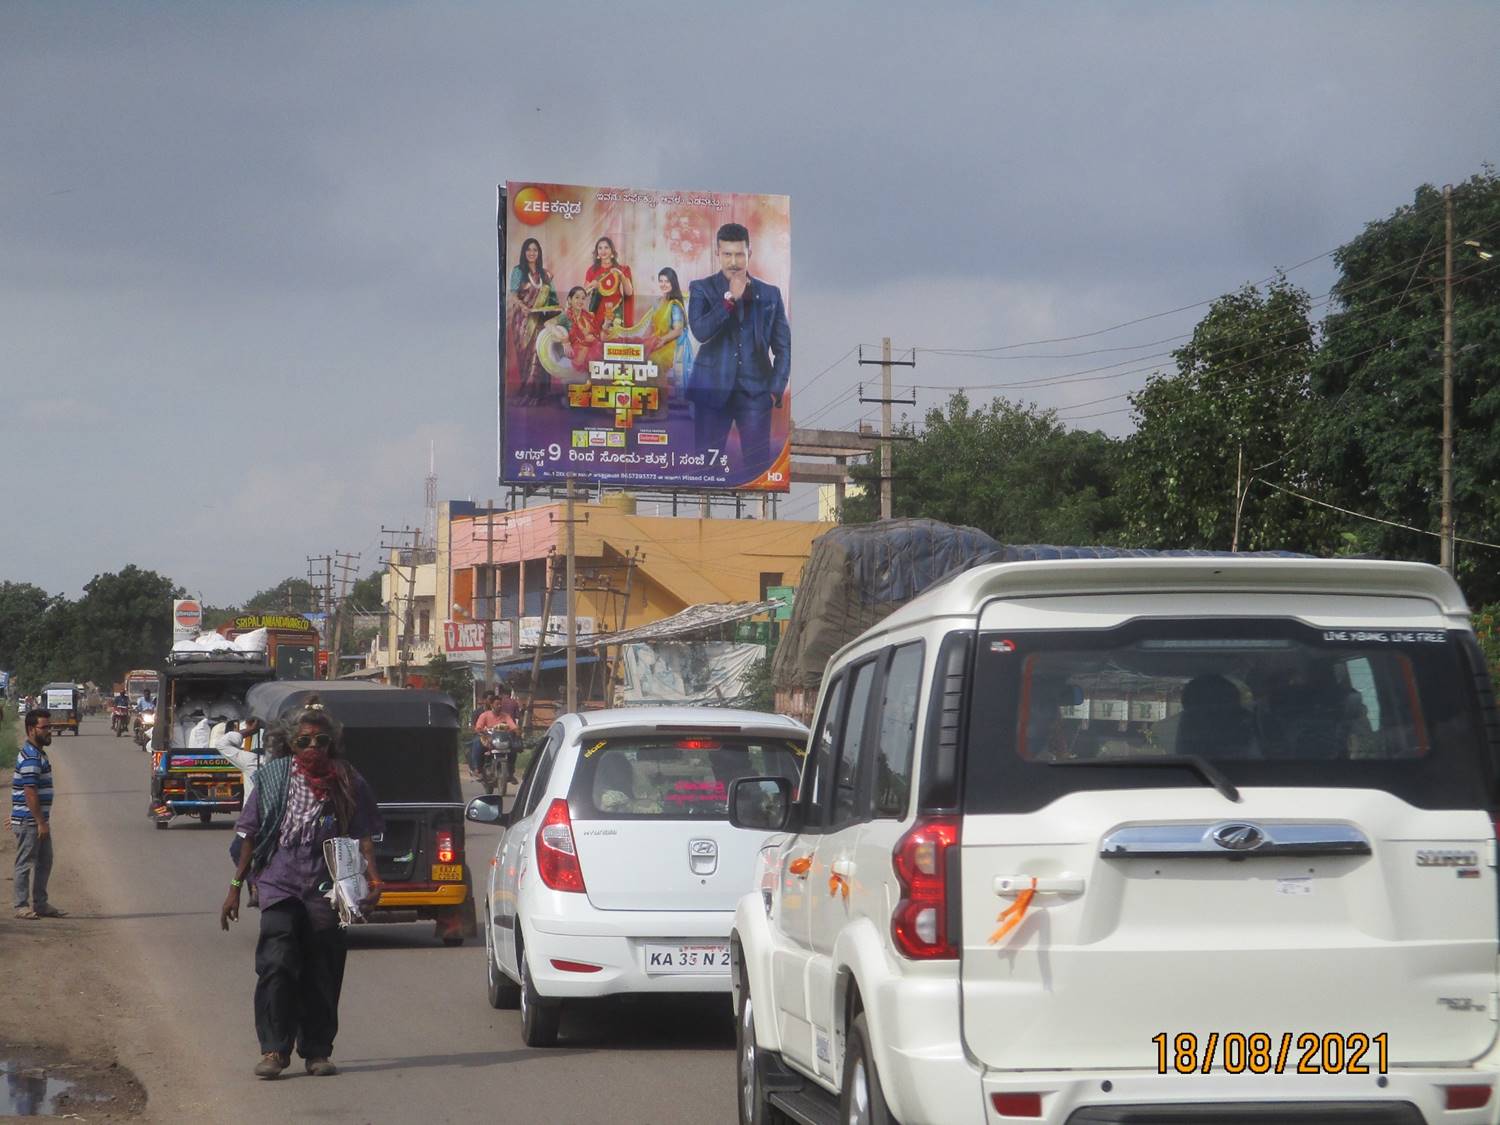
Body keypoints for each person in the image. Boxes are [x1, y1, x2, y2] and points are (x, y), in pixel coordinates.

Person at [220, 704, 383, 1079]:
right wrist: (234, 888)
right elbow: (249, 835)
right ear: (290, 744)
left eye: (321, 741)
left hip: (327, 886)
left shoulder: (346, 779)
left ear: (332, 744)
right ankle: (274, 1050)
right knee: (276, 964)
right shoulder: (274, 777)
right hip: (280, 882)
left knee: (323, 970)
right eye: (304, 740)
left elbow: (362, 835)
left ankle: (317, 1051)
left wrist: (373, 880)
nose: (313, 747)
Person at [687, 222, 791, 482]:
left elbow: (783, 347)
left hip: (756, 393)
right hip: (712, 391)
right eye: (727, 254)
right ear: (717, 254)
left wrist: (775, 388)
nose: (734, 261)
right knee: (705, 470)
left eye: (739, 254)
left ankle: (760, 517)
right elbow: (700, 331)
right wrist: (729, 300)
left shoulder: (771, 294)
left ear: (749, 254)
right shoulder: (702, 288)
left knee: (760, 472)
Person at [12, 709, 64, 920]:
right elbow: (29, 791)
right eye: (44, 727)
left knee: (45, 860)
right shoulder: (31, 756)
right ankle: (21, 905)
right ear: (31, 729)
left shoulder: (38, 753)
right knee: (25, 862)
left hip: (34, 819)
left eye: (50, 727)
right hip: (31, 821)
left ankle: (40, 903)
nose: (49, 731)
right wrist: (39, 821)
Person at [508, 237, 561, 403]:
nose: (532, 253)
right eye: (529, 250)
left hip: (539, 319)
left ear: (539, 253)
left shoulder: (545, 275)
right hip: (521, 319)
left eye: (535, 250)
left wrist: (555, 310)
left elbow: (552, 299)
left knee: (539, 348)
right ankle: (527, 388)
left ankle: (537, 393)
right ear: (524, 253)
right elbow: (513, 294)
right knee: (525, 355)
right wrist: (524, 307)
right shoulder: (518, 271)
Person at [645, 267, 694, 397]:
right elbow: (651, 326)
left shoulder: (675, 304)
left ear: (673, 282)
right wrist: (645, 342)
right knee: (641, 357)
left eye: (667, 281)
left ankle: (661, 403)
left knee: (654, 360)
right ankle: (648, 401)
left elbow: (678, 331)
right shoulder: (657, 302)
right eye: (661, 281)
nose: (663, 284)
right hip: (657, 341)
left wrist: (662, 340)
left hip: (673, 345)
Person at [584, 236, 634, 328]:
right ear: (597, 252)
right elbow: (584, 293)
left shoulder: (621, 269)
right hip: (597, 309)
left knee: (613, 336)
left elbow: (629, 292)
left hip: (615, 309)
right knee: (599, 339)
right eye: (600, 248)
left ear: (612, 251)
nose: (603, 251)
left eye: (606, 247)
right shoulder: (592, 271)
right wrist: (592, 285)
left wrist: (621, 275)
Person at [470, 695, 518, 781]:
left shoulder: (506, 716)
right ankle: (477, 770)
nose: (499, 706)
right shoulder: (484, 715)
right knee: (477, 743)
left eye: (500, 704)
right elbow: (478, 727)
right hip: (487, 738)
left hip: (502, 740)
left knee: (513, 749)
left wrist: (518, 732)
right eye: (497, 704)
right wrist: (483, 733)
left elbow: (513, 727)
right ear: (492, 705)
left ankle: (511, 772)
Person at [558, 286, 604, 374]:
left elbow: (598, 335)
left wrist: (606, 325)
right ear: (570, 299)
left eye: (583, 298)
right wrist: (565, 342)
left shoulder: (589, 316)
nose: (580, 301)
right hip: (580, 354)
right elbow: (548, 324)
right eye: (577, 297)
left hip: (594, 347)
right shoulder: (566, 316)